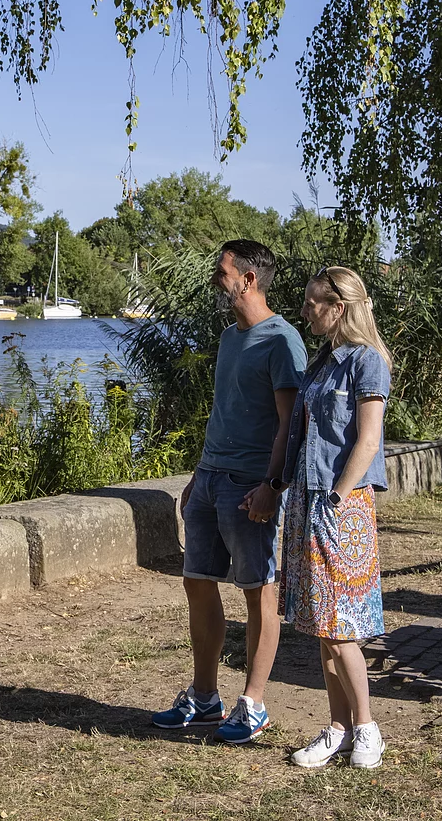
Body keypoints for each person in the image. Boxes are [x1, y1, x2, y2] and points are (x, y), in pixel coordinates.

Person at [151, 240, 306, 744]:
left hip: (250, 487)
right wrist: (201, 471)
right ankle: (204, 695)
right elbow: (223, 412)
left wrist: (273, 486)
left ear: (248, 278)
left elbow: (290, 424)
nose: (217, 279)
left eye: (222, 271)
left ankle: (253, 702)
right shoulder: (228, 338)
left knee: (259, 593)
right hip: (211, 479)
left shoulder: (282, 341)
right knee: (197, 581)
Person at [281, 267, 392, 770]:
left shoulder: (367, 362)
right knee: (324, 624)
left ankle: (367, 727)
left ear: (338, 306)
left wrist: (339, 497)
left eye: (312, 302)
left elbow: (368, 439)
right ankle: (339, 728)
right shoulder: (322, 361)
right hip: (310, 498)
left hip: (340, 504)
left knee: (343, 623)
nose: (305, 310)